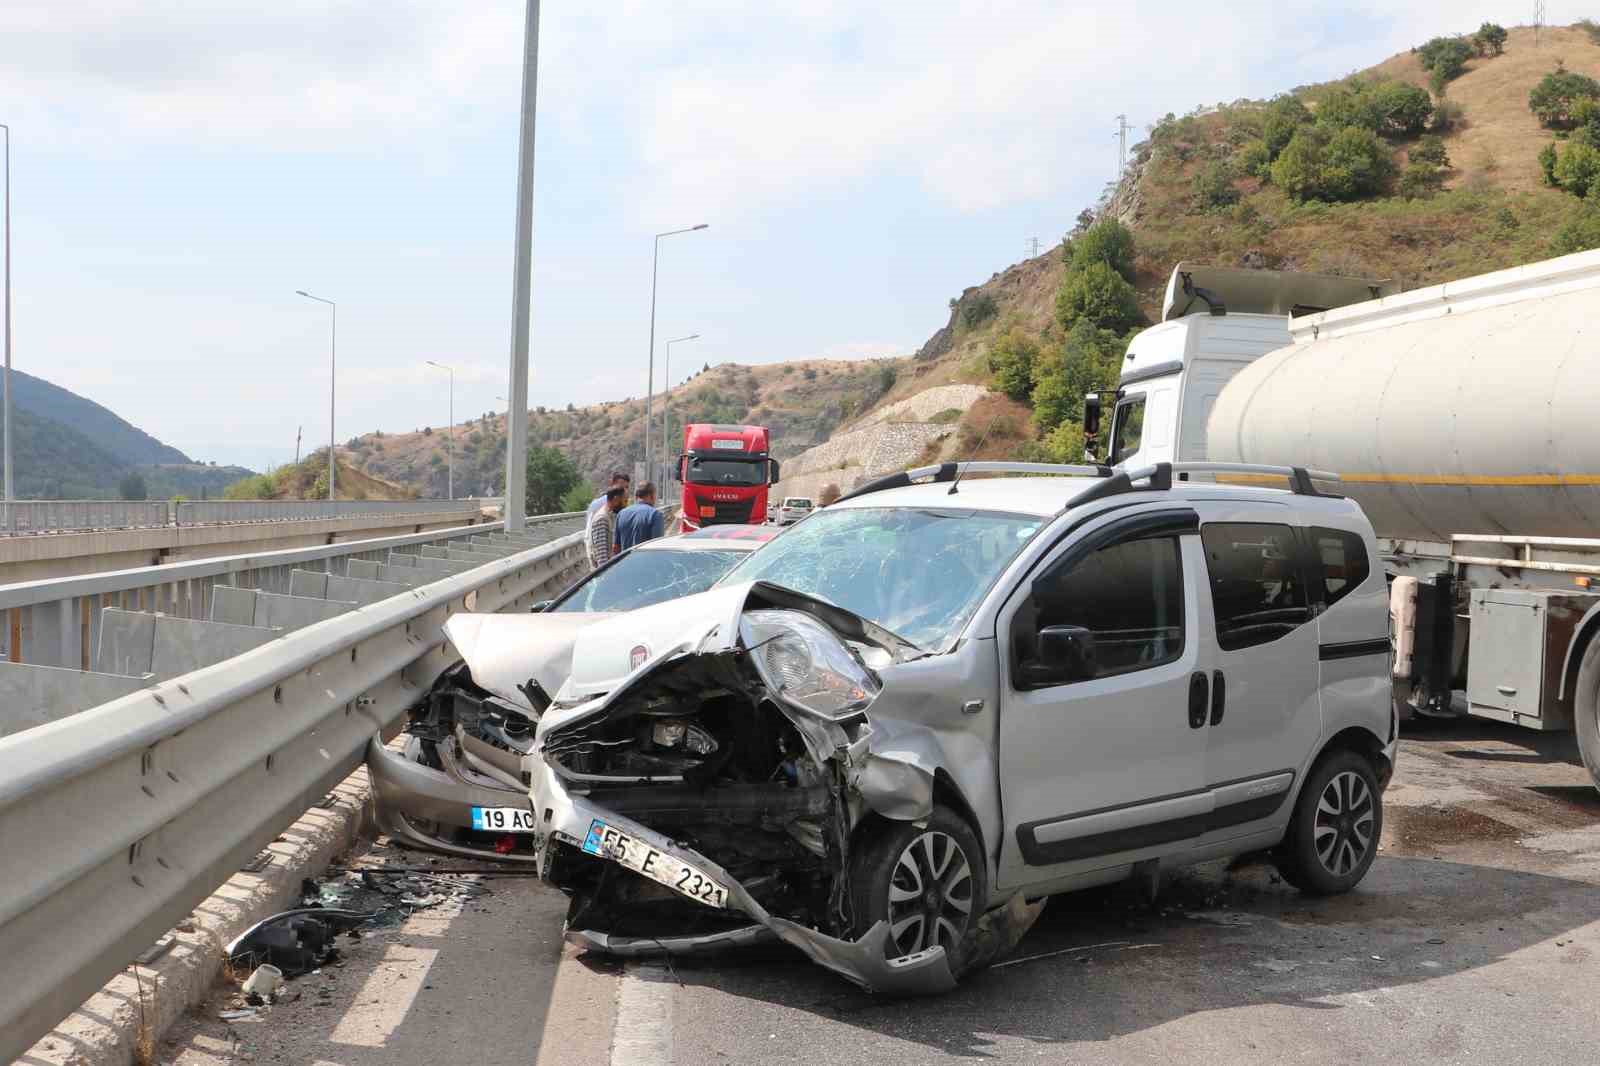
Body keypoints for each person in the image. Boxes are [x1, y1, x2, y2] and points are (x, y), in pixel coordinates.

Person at [615, 481, 665, 551]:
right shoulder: (655, 515)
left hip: (626, 561)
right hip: (645, 561)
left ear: (636, 496)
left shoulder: (621, 514)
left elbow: (616, 547)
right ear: (652, 496)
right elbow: (657, 547)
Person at [586, 486, 627, 568]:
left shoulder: (609, 515)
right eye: (624, 500)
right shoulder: (602, 518)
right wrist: (606, 575)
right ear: (616, 499)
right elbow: (601, 555)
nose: (625, 504)